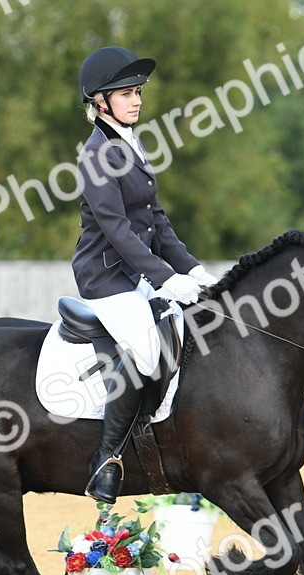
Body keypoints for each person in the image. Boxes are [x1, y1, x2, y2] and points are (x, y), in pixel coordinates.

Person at [73, 46, 219, 503]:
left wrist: (193, 270)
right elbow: (117, 230)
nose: (136, 101)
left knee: (189, 333)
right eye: (126, 94)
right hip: (105, 279)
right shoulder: (97, 155)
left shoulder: (130, 145)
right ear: (100, 101)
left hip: (136, 275)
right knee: (146, 348)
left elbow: (158, 222)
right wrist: (164, 279)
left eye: (137, 92)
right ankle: (108, 459)